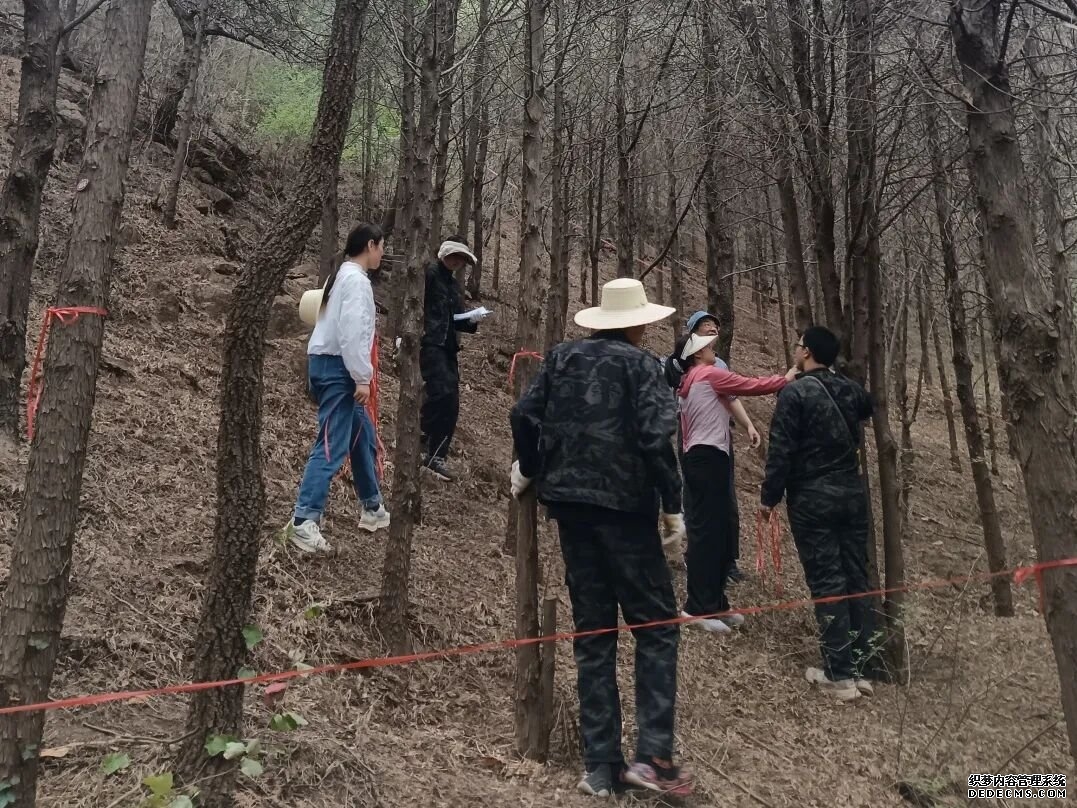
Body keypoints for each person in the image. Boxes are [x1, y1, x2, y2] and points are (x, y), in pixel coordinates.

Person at [509, 278, 693, 798]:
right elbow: (656, 438)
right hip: (626, 512)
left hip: (570, 509)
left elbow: (523, 413)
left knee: (594, 633)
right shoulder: (644, 366)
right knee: (657, 628)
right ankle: (652, 758)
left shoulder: (562, 357)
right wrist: (673, 506)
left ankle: (601, 767)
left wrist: (529, 466)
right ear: (636, 324)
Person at [759, 326, 876, 702]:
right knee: (856, 578)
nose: (796, 350)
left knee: (827, 581)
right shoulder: (851, 390)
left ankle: (838, 674)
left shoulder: (794, 394)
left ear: (806, 352)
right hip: (852, 496)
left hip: (812, 499)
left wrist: (768, 498)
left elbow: (781, 450)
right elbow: (867, 405)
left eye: (798, 346)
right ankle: (861, 668)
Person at [674, 331, 794, 632]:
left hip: (701, 459)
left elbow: (728, 399)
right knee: (707, 533)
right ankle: (696, 608)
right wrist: (785, 379)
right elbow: (749, 385)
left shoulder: (691, 381)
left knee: (717, 531)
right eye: (706, 346)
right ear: (697, 354)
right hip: (707, 459)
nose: (712, 348)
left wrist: (748, 426)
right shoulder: (708, 374)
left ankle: (715, 602)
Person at [286, 223, 391, 553]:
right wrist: (362, 376)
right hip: (338, 369)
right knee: (331, 444)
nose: (383, 254)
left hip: (325, 363)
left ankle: (372, 506)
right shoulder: (357, 282)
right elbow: (352, 332)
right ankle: (304, 519)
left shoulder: (339, 276)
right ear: (370, 245)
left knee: (361, 434)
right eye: (381, 247)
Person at [665, 311, 757, 581]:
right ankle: (698, 555)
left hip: (720, 439)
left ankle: (728, 560)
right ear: (693, 335)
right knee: (696, 500)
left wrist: (748, 425)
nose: (712, 329)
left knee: (726, 500)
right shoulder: (680, 361)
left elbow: (731, 397)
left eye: (715, 326)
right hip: (692, 438)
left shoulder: (720, 365)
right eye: (705, 326)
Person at [420, 235, 489, 481]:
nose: (457, 261)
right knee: (439, 394)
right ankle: (421, 444)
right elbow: (415, 305)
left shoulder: (453, 286)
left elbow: (459, 321)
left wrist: (473, 319)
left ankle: (437, 455)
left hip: (448, 348)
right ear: (444, 254)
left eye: (461, 258)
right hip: (430, 343)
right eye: (454, 256)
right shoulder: (428, 274)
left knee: (452, 402)